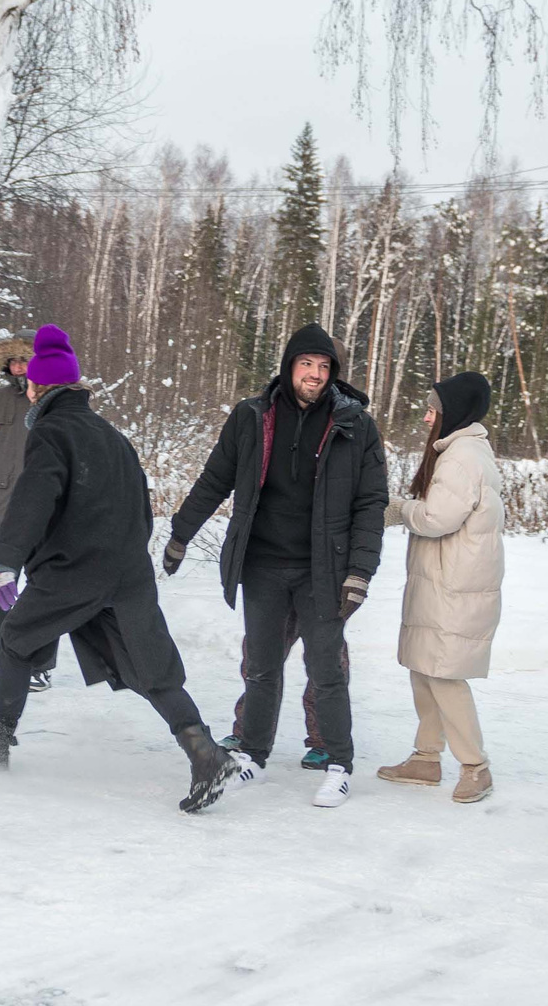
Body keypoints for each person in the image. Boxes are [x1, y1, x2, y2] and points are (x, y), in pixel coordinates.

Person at [0, 325, 235, 813]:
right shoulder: (113, 436)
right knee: (151, 666)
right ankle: (205, 752)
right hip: (127, 571)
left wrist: (4, 563)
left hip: (74, 570)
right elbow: (143, 511)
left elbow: (32, 501)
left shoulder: (50, 433)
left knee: (16, 639)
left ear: (38, 389)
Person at [164, 322, 388, 809]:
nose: (315, 374)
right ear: (289, 367)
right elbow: (215, 478)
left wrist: (360, 572)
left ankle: (339, 766)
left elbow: (371, 504)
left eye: (324, 366)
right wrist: (181, 532)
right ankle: (253, 755)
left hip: (322, 570)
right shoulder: (252, 416)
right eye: (306, 364)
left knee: (326, 669)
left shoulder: (354, 424)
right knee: (261, 669)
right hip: (262, 564)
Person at [376, 371, 504, 804]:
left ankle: (475, 766)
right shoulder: (460, 450)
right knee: (423, 668)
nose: (427, 415)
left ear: (455, 413)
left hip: (455, 584)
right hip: (442, 580)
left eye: (435, 408)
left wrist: (398, 509)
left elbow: (437, 518)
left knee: (444, 675)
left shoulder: (462, 456)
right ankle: (426, 757)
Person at [0, 334, 56, 692]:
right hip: (5, 510)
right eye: (13, 363)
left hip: (44, 509)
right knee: (0, 588)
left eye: (24, 361)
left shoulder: (52, 401)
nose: (18, 369)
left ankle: (39, 666)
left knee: (43, 589)